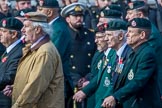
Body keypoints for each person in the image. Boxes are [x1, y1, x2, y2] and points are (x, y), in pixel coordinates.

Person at [7, 12, 64, 108]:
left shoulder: (44, 52)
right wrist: (15, 87)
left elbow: (34, 87)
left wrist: (18, 106)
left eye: (26, 26)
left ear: (37, 29)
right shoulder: (35, 49)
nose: (22, 30)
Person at [102, 18, 162, 108]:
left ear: (142, 35)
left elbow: (138, 81)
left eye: (130, 32)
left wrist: (116, 97)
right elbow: (120, 76)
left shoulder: (147, 54)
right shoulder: (132, 52)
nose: (127, 34)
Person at [37, 1, 74, 107]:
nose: (37, 12)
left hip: (57, 81)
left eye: (40, 9)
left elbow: (51, 56)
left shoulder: (58, 29)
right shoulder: (53, 27)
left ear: (48, 12)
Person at [61, 2, 96, 108]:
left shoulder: (90, 35)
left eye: (81, 16)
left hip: (88, 82)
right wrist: (76, 80)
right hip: (69, 82)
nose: (79, 18)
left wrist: (88, 78)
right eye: (75, 16)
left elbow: (95, 58)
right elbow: (61, 61)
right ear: (67, 19)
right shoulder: (62, 36)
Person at [73, 22, 116, 108]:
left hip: (105, 99)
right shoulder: (99, 53)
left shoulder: (114, 55)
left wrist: (86, 91)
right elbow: (94, 73)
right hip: (95, 97)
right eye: (95, 37)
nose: (96, 41)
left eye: (100, 37)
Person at [103, 19, 132, 108]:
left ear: (120, 36)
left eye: (109, 35)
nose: (105, 39)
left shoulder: (129, 54)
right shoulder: (118, 54)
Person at [0, 17, 24, 108]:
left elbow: (10, 77)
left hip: (6, 99)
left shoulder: (19, 51)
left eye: (3, 31)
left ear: (14, 34)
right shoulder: (10, 50)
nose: (0, 34)